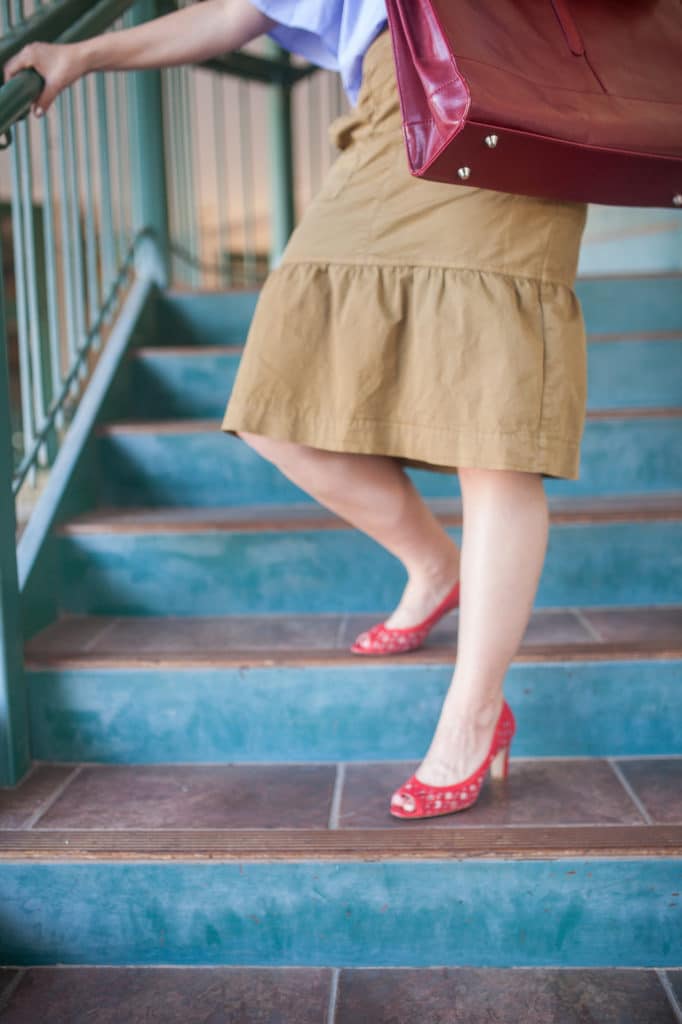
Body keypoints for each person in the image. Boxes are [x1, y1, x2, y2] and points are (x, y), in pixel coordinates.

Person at [4, 0, 589, 820]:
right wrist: (87, 54)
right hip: (397, 100)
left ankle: (474, 714)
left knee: (492, 433)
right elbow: (245, 8)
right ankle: (433, 565)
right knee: (277, 407)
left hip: (516, 83)